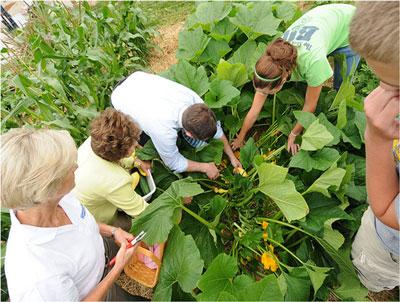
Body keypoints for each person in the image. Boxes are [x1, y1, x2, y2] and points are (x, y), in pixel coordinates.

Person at [1, 128, 145, 301]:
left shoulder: (56, 198)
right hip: (99, 292)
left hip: (103, 251)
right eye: (68, 168)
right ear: (47, 189)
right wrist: (117, 268)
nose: (76, 166)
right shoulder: (39, 279)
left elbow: (79, 222)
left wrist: (113, 231)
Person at [231, 4, 360, 154]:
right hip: (324, 17)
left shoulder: (313, 62)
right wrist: (241, 137)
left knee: (341, 88)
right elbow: (254, 110)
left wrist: (294, 133)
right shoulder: (276, 56)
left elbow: (310, 106)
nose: (263, 95)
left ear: (283, 80)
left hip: (351, 25)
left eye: (268, 92)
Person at [349, 1, 399, 292]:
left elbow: (385, 208)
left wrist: (377, 138)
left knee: (373, 270)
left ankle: (378, 287)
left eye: (396, 87)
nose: (380, 94)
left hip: (391, 247)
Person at [111, 71, 241, 180]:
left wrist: (231, 156)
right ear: (188, 133)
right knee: (147, 143)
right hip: (120, 98)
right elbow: (173, 162)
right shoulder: (163, 131)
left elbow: (216, 129)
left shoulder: (195, 103)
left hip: (137, 78)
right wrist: (205, 167)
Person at [73, 108, 150, 230]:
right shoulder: (114, 181)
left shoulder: (96, 141)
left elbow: (114, 158)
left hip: (78, 202)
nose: (136, 144)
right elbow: (144, 212)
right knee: (135, 228)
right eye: (132, 144)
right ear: (122, 152)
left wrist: (134, 162)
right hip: (96, 221)